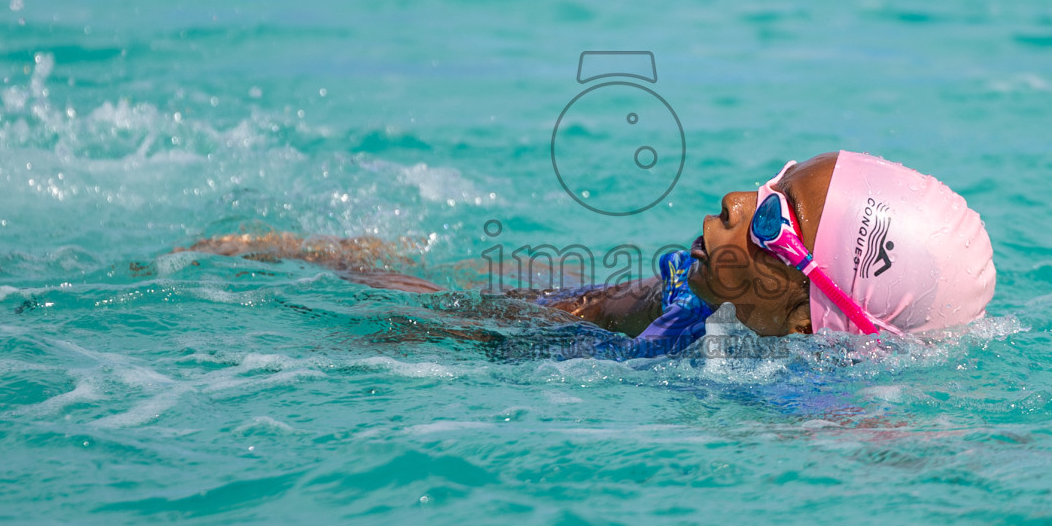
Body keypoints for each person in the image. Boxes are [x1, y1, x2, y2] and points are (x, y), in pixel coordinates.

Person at [185, 151, 996, 353]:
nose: (741, 201)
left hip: (580, 343)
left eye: (776, 214)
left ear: (813, 306)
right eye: (773, 178)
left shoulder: (803, 402)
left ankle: (328, 255)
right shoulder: (709, 315)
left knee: (421, 312)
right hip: (591, 320)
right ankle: (329, 254)